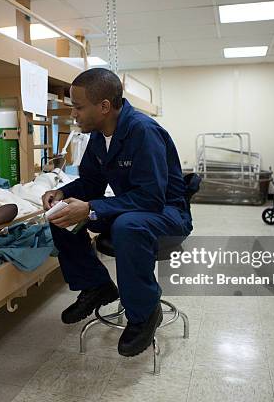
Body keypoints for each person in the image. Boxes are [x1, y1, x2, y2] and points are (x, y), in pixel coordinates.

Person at [42, 68, 192, 357]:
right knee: (60, 214)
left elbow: (151, 197)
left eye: (78, 106)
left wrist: (91, 208)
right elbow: (91, 182)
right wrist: (63, 194)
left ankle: (145, 313)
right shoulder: (99, 135)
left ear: (104, 106)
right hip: (133, 207)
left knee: (127, 226)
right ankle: (96, 286)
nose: (73, 114)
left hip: (167, 214)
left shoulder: (143, 132)